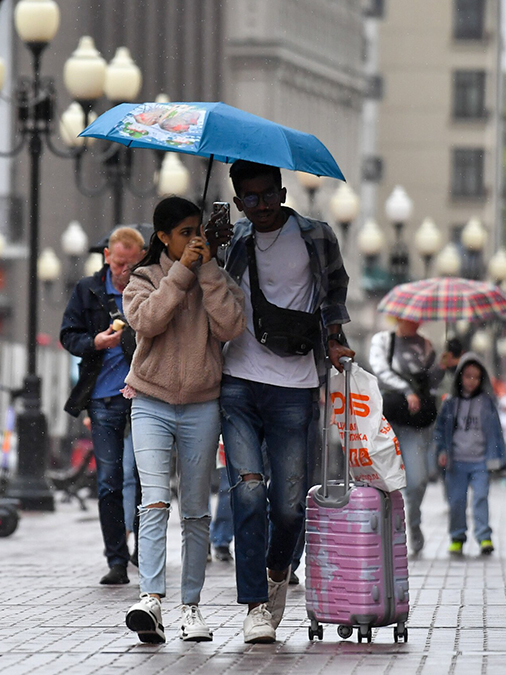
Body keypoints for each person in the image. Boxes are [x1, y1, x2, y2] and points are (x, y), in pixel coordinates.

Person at [207, 160, 354, 643]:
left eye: (269, 194)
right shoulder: (234, 239)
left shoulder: (316, 235)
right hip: (238, 379)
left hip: (295, 382)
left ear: (283, 192)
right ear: (237, 201)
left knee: (290, 506)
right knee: (248, 491)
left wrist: (334, 338)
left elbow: (334, 290)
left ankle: (276, 573)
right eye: (250, 198)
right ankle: (254, 607)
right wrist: (207, 250)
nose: (262, 205)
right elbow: (208, 294)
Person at [122, 196, 246, 644]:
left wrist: (207, 271)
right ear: (163, 237)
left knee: (195, 511)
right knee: (154, 501)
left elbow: (232, 327)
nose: (195, 239)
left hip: (202, 405)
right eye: (185, 233)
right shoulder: (143, 278)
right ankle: (151, 599)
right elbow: (147, 321)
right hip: (150, 401)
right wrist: (180, 274)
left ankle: (191, 607)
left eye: (199, 231)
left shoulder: (215, 276)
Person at [61, 225, 146, 586]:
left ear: (142, 259)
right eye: (118, 263)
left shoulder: (149, 289)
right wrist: (95, 342)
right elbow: (68, 334)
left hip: (144, 397)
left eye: (131, 265)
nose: (123, 272)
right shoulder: (89, 289)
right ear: (107, 256)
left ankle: (144, 549)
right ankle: (116, 559)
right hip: (103, 398)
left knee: (144, 477)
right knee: (109, 480)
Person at [369, 319, 456, 556]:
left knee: (417, 480)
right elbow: (380, 372)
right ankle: (386, 531)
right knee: (383, 480)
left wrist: (441, 366)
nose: (415, 322)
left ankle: (414, 522)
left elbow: (429, 383)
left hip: (415, 423)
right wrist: (407, 391)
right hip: (386, 420)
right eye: (410, 318)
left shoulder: (426, 345)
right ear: (399, 317)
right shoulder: (383, 341)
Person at [435, 354, 504, 556]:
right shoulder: (450, 403)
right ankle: (457, 537)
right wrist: (441, 451)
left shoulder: (487, 402)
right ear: (460, 377)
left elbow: (496, 431)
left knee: (481, 497)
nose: (472, 381)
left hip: (480, 461)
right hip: (456, 461)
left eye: (476, 377)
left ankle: (484, 537)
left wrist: (497, 458)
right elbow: (440, 430)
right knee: (456, 501)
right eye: (467, 376)